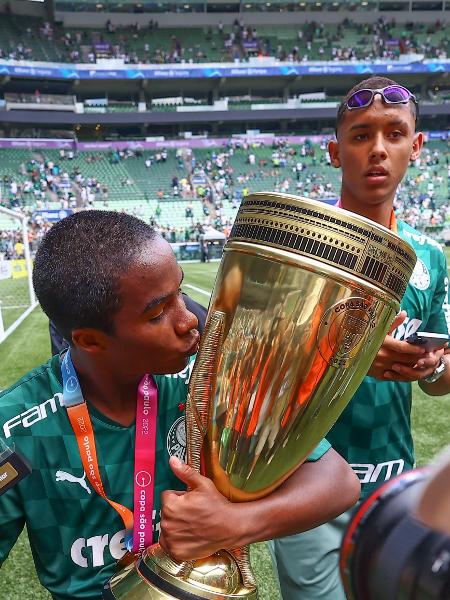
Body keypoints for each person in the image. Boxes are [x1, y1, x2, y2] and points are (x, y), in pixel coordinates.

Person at [0, 211, 360, 600]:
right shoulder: (15, 427)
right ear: (90, 341)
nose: (189, 320)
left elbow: (338, 482)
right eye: (157, 314)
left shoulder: (210, 378)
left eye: (181, 293)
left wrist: (235, 523)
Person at [269, 76, 450, 600]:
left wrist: (431, 367)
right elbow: (249, 369)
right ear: (334, 150)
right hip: (304, 484)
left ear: (416, 147)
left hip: (393, 487)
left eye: (395, 133)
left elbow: (441, 381)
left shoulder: (429, 257)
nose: (377, 149)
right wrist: (344, 355)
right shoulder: (295, 246)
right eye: (360, 134)